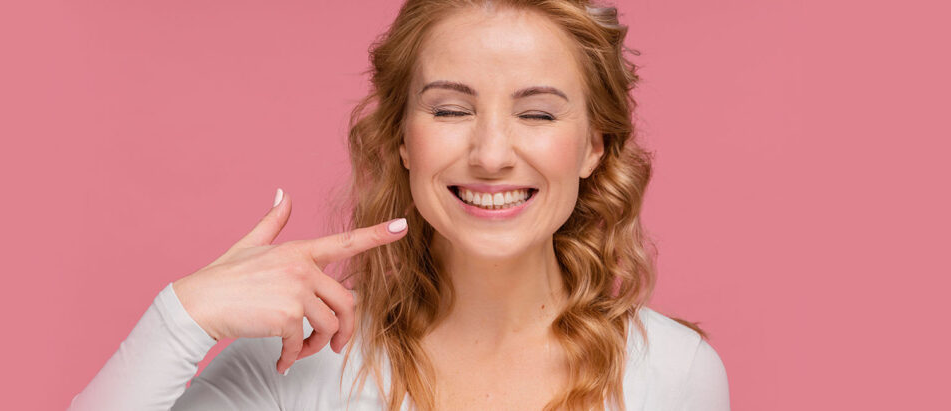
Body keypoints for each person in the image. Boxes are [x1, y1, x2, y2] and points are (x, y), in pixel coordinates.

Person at [69, 0, 730, 410]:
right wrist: (184, 314)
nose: (492, 152)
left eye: (536, 112)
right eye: (450, 109)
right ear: (404, 140)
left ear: (593, 146)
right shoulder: (297, 364)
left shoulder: (673, 373)